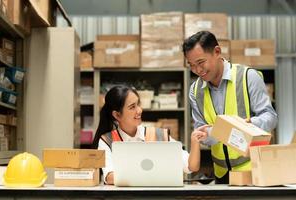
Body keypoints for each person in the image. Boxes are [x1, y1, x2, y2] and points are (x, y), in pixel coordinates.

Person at [182, 31, 278, 184]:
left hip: (253, 170)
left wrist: (249, 125)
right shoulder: (195, 91)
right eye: (192, 65)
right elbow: (201, 131)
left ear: (217, 52)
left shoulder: (247, 77)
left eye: (201, 63)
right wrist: (211, 134)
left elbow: (270, 117)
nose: (198, 70)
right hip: (221, 173)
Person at [92, 85, 201, 185]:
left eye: (138, 104)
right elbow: (110, 177)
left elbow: (191, 166)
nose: (139, 110)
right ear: (117, 115)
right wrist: (154, 176)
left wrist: (195, 141)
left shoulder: (159, 135)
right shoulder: (107, 140)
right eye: (132, 107)